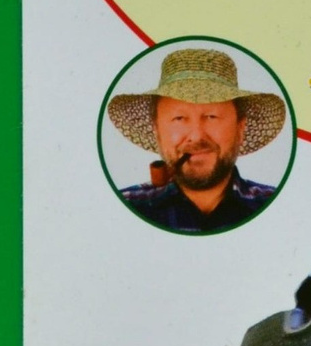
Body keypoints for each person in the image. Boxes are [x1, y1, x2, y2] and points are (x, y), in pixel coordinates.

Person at [107, 47, 286, 233]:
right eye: (179, 118)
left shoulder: (279, 207)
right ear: (156, 130)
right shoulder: (122, 208)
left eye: (211, 117)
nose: (196, 136)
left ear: (240, 128)